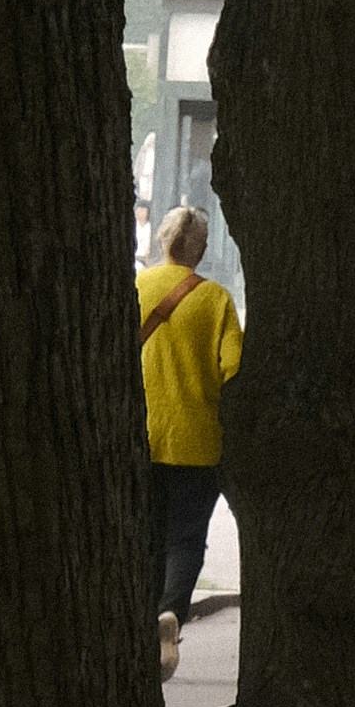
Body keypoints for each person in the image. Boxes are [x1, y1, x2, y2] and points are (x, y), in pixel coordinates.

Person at [136, 199, 241, 672]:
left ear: (162, 241)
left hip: (140, 439)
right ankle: (171, 611)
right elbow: (233, 370)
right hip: (197, 442)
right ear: (199, 250)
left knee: (148, 535)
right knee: (185, 539)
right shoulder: (215, 299)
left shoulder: (136, 287)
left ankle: (143, 625)